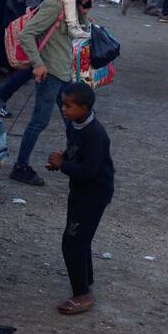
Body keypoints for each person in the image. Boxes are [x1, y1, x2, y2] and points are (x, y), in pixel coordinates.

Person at [12, 0, 96, 186]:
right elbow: (27, 33)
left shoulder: (71, 5)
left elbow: (80, 32)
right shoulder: (56, 4)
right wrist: (38, 64)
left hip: (63, 73)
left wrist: (83, 12)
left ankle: (73, 161)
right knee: (39, 121)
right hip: (50, 73)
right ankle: (20, 166)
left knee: (73, 120)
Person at [45, 82, 114, 315]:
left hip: (93, 194)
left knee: (72, 243)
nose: (63, 109)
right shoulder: (75, 125)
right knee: (80, 238)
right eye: (63, 104)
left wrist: (63, 164)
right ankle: (86, 282)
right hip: (80, 191)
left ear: (84, 108)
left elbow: (89, 171)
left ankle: (81, 294)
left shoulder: (96, 134)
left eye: (68, 105)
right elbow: (75, 152)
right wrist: (63, 159)